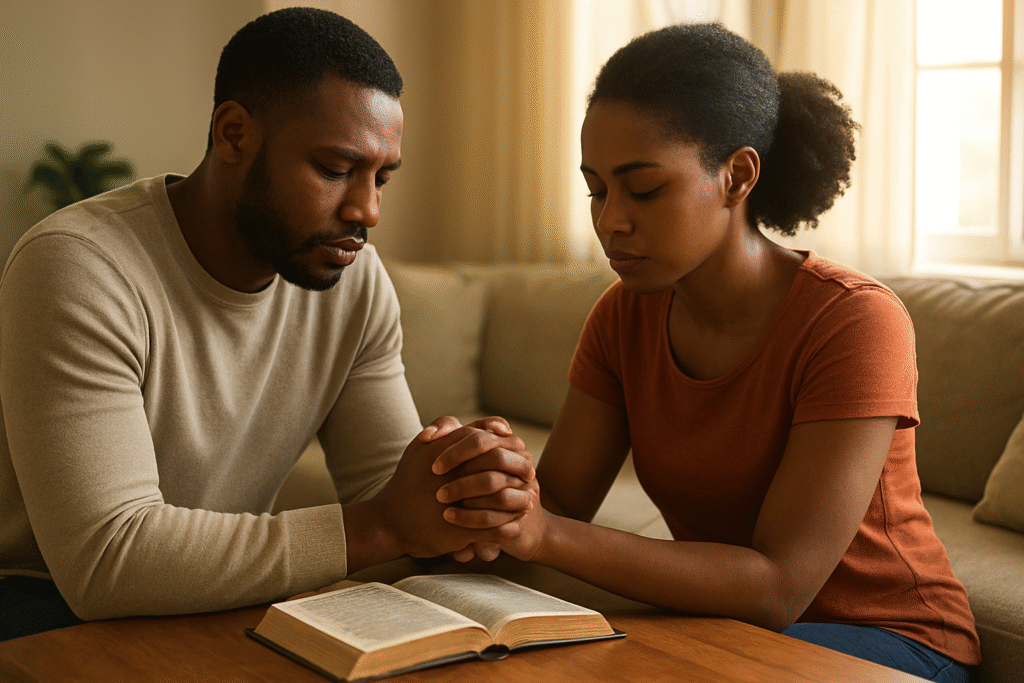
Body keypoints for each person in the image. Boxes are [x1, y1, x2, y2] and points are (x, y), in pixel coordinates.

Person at [436, 23, 981, 682]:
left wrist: (542, 529)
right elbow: (557, 505)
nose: (610, 219)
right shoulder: (621, 317)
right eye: (596, 189)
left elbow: (778, 586)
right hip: (730, 628)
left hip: (893, 636)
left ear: (737, 176)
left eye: (643, 189)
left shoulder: (854, 321)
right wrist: (484, 480)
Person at [0, 7, 532, 641]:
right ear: (233, 134)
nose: (368, 210)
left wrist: (465, 490)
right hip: (36, 600)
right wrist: (385, 525)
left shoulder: (354, 281)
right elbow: (106, 560)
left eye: (381, 178)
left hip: (210, 597)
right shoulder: (79, 265)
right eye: (336, 170)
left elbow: (389, 492)